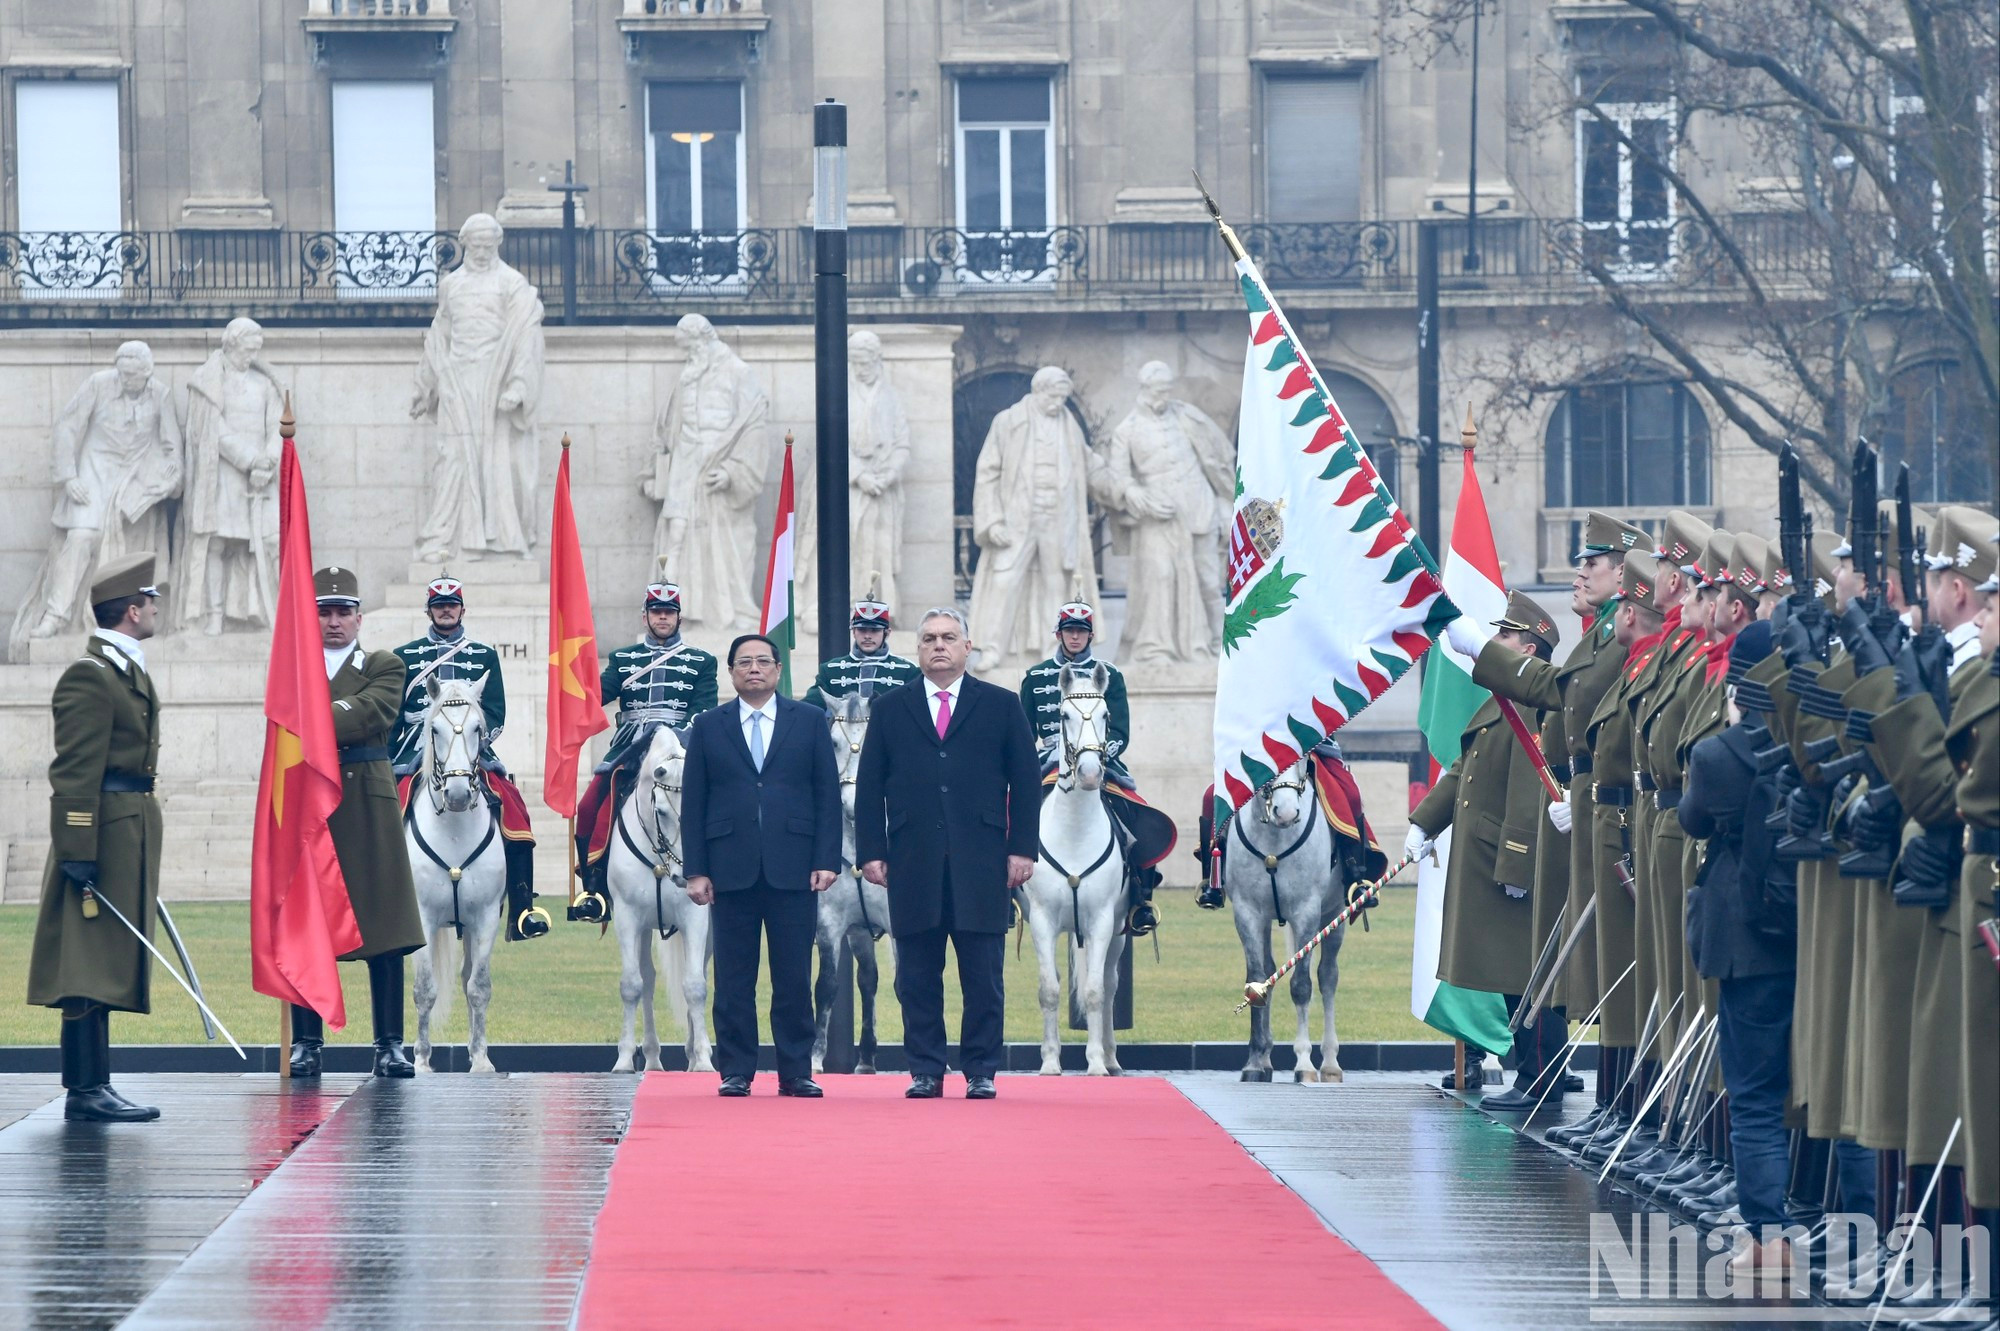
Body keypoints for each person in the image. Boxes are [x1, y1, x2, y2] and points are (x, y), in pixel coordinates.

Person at [1469, 511, 1650, 1136]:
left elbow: (1563, 694)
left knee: (1625, 967)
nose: (1580, 571)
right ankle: (1615, 1108)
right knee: (1604, 962)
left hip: (1613, 805)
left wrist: (1485, 654)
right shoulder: (1599, 634)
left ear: (1624, 574)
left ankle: (1625, 1110)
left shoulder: (1613, 638)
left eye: (1592, 563)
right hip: (1591, 798)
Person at [854, 607, 1041, 1099]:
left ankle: (980, 1068)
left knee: (983, 975)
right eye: (930, 638)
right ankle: (926, 1069)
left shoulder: (1001, 705)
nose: (939, 645)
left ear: (966, 647)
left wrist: (1022, 849)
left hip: (982, 862)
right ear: (917, 650)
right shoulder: (892, 708)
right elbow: (870, 785)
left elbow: (1024, 783)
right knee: (916, 975)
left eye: (949, 637)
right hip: (912, 861)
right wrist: (872, 849)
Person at [26, 554, 166, 1122]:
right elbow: (74, 772)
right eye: (151, 601)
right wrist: (79, 850)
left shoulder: (121, 668)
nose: (157, 608)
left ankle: (96, 1084)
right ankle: (83, 1090)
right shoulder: (91, 674)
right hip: (100, 833)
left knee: (102, 960)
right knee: (85, 964)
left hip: (125, 827)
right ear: (132, 611)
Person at [1679, 622, 1799, 1276]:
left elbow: (1692, 817)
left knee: (1753, 1095)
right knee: (1827, 1096)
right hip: (1814, 936)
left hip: (1747, 940)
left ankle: (1769, 1237)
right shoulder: (1808, 742)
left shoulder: (1717, 754)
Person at [680, 634, 842, 1098]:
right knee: (734, 976)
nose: (754, 669)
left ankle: (795, 1071)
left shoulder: (808, 720)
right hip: (729, 868)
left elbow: (825, 794)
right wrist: (696, 869)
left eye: (763, 661)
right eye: (744, 662)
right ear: (731, 672)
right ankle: (736, 1070)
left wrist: (826, 859)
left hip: (794, 867)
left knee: (792, 973)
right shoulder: (710, 725)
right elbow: (695, 802)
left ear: (777, 670)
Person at [1416, 589, 1559, 1109]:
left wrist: (1517, 861)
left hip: (1509, 859)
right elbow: (1464, 769)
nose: (1495, 642)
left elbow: (1528, 785)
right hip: (1488, 856)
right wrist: (1424, 823)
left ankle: (1539, 1077)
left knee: (1526, 973)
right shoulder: (1505, 699)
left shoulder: (1529, 705)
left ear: (1530, 649)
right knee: (1511, 972)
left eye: (1505, 635)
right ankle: (1541, 1072)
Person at [287, 567, 427, 1080]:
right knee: (307, 924)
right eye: (324, 611)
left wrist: (312, 714)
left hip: (365, 801)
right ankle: (306, 1041)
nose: (333, 621)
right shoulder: (294, 666)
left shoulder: (385, 663)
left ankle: (390, 1043)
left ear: (359, 618)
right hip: (311, 804)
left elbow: (374, 714)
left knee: (382, 925)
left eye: (343, 611)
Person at [390, 576, 547, 942]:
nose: (446, 609)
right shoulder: (405, 656)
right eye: (439, 604)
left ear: (462, 608)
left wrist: (472, 744)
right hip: (418, 745)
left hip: (468, 747)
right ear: (428, 609)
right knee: (384, 809)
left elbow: (494, 711)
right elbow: (395, 715)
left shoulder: (484, 655)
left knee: (515, 807)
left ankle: (523, 908)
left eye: (452, 603)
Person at [12, 343, 181, 656]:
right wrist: (69, 476)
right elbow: (67, 426)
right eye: (123, 374)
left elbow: (173, 450)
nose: (126, 380)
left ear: (147, 373)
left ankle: (127, 620)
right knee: (81, 536)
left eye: (133, 376)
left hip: (133, 479)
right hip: (94, 471)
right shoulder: (99, 384)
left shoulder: (161, 394)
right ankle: (55, 615)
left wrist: (168, 482)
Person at [1017, 598, 1173, 935]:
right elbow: (1024, 733)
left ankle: (1140, 898)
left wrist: (1098, 755)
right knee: (1008, 815)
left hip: (1100, 762)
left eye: (1081, 632)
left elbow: (1120, 730)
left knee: (1138, 814)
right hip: (1050, 765)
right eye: (1070, 631)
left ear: (1091, 635)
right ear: (1058, 633)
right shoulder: (1036, 676)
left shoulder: (1110, 675)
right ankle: (1006, 898)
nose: (1075, 637)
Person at [572, 580, 718, 919]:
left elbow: (704, 707)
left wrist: (676, 737)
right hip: (630, 748)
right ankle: (593, 889)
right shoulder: (624, 658)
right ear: (645, 617)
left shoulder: (701, 661)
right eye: (657, 612)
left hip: (680, 748)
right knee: (589, 806)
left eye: (669, 612)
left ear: (679, 618)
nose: (663, 617)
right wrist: (576, 687)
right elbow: (597, 695)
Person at [179, 317, 283, 635]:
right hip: (221, 474)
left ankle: (253, 611)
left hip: (261, 477)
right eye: (247, 350)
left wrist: (267, 463)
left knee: (254, 546)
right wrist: (251, 461)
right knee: (216, 543)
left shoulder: (265, 384)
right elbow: (212, 430)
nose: (251, 357)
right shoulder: (208, 382)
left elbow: (280, 426)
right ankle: (214, 614)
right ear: (231, 344)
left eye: (256, 351)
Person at [801, 582, 920, 710]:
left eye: (874, 631)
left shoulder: (907, 671)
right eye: (862, 630)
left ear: (887, 633)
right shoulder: (830, 670)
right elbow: (808, 709)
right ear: (853, 631)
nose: (867, 636)